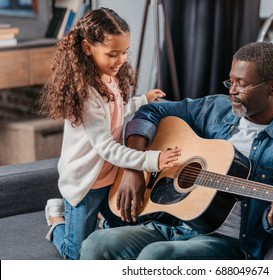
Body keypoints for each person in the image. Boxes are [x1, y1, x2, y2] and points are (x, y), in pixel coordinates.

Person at [79, 41, 273, 260]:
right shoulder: (214, 108)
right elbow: (151, 111)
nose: (232, 92)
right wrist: (135, 165)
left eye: (242, 85)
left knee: (156, 256)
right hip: (173, 224)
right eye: (231, 81)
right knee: (96, 244)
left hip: (225, 243)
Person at [38, 7, 181, 260]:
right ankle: (56, 221)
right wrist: (152, 159)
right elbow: (107, 147)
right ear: (87, 48)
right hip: (86, 184)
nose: (121, 60)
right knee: (76, 256)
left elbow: (117, 112)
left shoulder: (109, 78)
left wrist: (142, 100)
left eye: (125, 52)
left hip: (109, 178)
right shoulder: (86, 95)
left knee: (117, 235)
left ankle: (94, 222)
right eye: (113, 54)